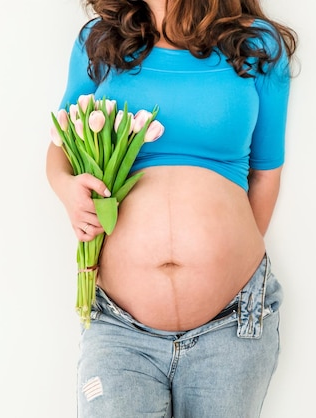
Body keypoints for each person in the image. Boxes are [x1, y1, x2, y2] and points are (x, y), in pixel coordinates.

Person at [46, 0, 297, 416]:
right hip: (119, 325)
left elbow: (267, 170)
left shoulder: (255, 45)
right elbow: (60, 144)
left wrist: (222, 261)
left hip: (233, 322)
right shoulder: (100, 42)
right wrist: (67, 188)